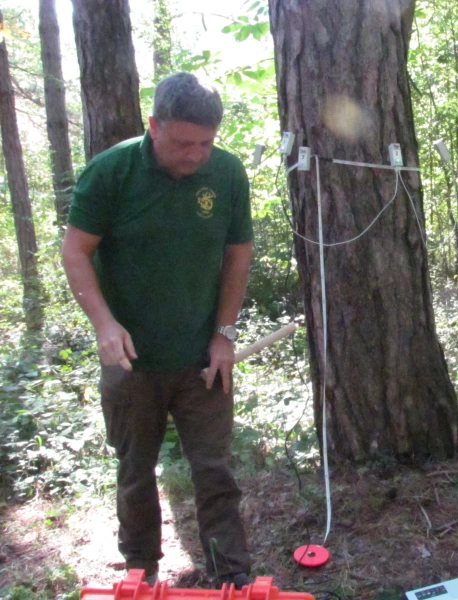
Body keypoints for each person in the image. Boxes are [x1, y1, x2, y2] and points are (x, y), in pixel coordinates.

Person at [62, 72, 253, 588]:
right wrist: (104, 324)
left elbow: (237, 256)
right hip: (131, 361)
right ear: (154, 125)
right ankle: (140, 572)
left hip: (201, 359)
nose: (195, 155)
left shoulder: (228, 173)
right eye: (182, 143)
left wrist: (225, 335)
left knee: (215, 469)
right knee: (134, 470)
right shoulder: (110, 173)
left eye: (205, 143)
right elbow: (75, 251)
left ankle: (231, 574)